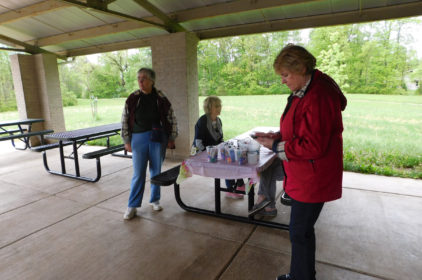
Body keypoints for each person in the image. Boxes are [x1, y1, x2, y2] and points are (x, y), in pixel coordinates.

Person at [255, 44, 347, 280]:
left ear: (301, 68)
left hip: (312, 177)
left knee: (299, 232)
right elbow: (301, 129)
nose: (283, 81)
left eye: (285, 75)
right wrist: (276, 137)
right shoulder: (309, 87)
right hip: (305, 174)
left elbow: (313, 146)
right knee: (301, 231)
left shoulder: (318, 95)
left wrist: (276, 146)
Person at [121, 67, 178, 220]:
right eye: (139, 78)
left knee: (156, 171)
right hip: (138, 139)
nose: (140, 81)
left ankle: (155, 200)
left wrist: (172, 137)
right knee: (138, 173)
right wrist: (126, 140)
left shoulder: (161, 98)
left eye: (144, 78)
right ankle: (132, 205)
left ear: (152, 81)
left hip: (157, 137)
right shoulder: (133, 98)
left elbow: (171, 117)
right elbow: (125, 119)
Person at [192, 96, 245, 199]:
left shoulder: (218, 120)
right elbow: (198, 142)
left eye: (220, 105)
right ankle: (231, 190)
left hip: (215, 150)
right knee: (226, 163)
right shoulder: (202, 121)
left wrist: (225, 148)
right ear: (209, 108)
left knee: (232, 157)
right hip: (202, 152)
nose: (220, 108)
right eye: (216, 106)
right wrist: (210, 153)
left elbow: (220, 139)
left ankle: (239, 184)